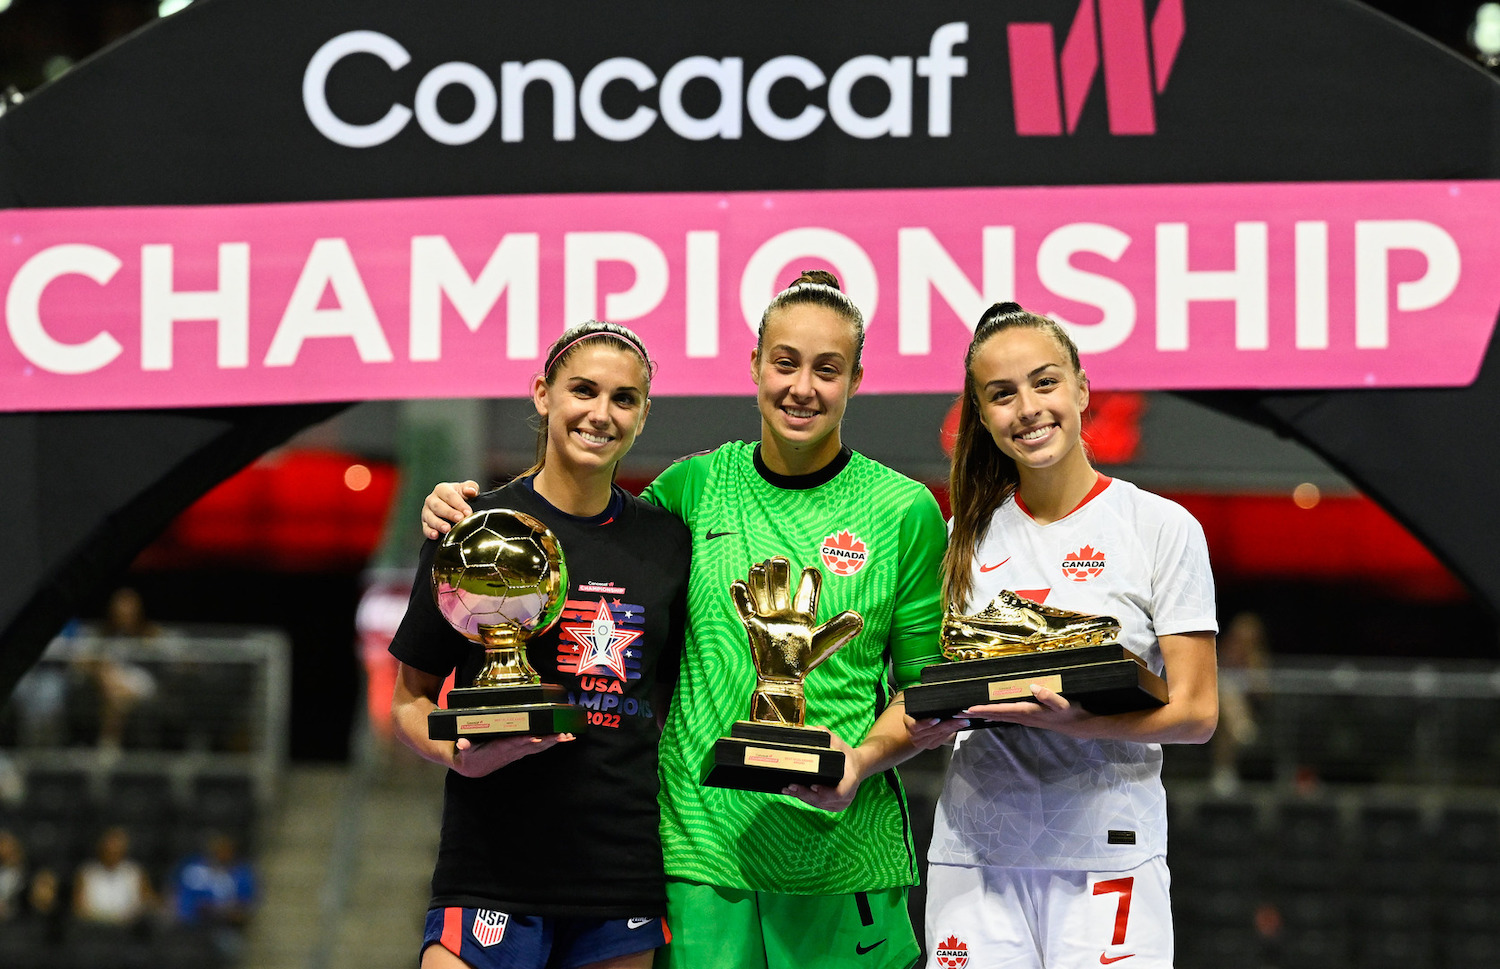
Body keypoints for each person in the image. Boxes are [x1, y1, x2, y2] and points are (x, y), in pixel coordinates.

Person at [422, 271, 947, 969]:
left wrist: (861, 760)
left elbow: (924, 691)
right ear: (756, 364)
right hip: (700, 854)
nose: (802, 387)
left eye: (828, 369)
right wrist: (469, 517)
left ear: (856, 377)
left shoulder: (905, 509)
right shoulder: (691, 489)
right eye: (785, 362)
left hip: (847, 857)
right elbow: (572, 532)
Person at [907, 302, 1219, 969]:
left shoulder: (1162, 528)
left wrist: (1079, 724)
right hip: (975, 854)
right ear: (983, 415)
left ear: (1081, 388)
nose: (1027, 407)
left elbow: (1196, 713)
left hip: (1108, 853)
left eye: (1044, 382)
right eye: (1002, 393)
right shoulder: (960, 534)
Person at [391, 320, 691, 969]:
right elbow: (409, 700)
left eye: (623, 398)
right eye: (583, 389)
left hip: (619, 874)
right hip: (490, 863)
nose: (601, 413)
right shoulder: (471, 528)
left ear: (642, 414)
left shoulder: (668, 543)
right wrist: (459, 757)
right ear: (542, 393)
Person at [73, 825, 157, 927]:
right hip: (94, 929)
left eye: (117, 848)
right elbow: (79, 908)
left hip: (128, 929)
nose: (112, 852)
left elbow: (147, 902)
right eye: (108, 847)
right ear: (101, 848)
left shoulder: (135, 873)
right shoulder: (87, 873)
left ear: (124, 850)